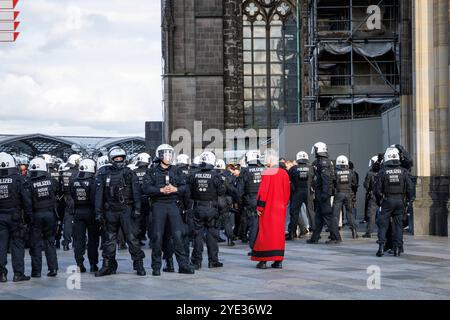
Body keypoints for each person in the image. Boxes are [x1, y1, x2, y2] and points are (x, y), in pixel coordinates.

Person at [143, 144, 194, 276]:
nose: (169, 157)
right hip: (158, 205)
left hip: (173, 205)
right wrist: (160, 190)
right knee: (157, 236)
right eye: (166, 154)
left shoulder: (176, 170)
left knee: (178, 235)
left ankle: (183, 265)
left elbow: (185, 187)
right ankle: (156, 267)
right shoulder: (151, 171)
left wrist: (175, 189)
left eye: (171, 154)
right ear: (160, 156)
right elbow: (145, 189)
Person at [95, 146, 146, 277]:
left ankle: (139, 264)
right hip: (110, 211)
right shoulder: (104, 173)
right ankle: (108, 265)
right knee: (109, 240)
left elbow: (136, 193)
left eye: (121, 158)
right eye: (116, 158)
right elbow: (99, 195)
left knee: (132, 239)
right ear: (111, 159)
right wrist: (98, 212)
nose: (119, 160)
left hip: (126, 210)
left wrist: (137, 209)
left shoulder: (130, 173)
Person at [251, 149, 290, 269]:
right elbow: (287, 192)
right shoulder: (284, 173)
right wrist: (283, 204)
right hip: (280, 208)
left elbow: (263, 191)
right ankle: (278, 261)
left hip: (268, 208)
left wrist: (259, 207)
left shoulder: (268, 172)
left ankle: (263, 260)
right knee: (278, 234)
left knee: (265, 233)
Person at [188, 151, 225, 269]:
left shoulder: (193, 175)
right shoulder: (216, 176)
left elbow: (189, 192)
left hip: (198, 207)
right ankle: (213, 261)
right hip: (211, 208)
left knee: (197, 235)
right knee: (212, 235)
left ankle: (196, 261)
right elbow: (221, 192)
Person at [374, 147, 414, 257]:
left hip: (387, 200)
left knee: (383, 224)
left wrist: (379, 201)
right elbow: (410, 188)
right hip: (400, 201)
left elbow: (377, 190)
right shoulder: (404, 171)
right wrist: (409, 200)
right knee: (398, 226)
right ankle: (397, 249)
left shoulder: (383, 172)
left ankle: (381, 247)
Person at [0, 152, 32, 282]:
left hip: (0, 217)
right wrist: (29, 215)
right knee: (17, 245)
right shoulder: (18, 178)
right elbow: (26, 199)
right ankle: (18, 274)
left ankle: (1, 274)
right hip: (15, 217)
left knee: (1, 246)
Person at [27, 157, 59, 277]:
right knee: (50, 242)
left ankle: (36, 271)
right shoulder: (51, 181)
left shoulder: (29, 183)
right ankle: (53, 268)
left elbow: (27, 202)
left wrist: (28, 216)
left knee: (35, 244)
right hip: (50, 214)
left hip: (36, 215)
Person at [307, 142, 341, 244]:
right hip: (320, 193)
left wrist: (325, 193)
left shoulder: (324, 162)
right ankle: (315, 238)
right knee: (318, 217)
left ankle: (336, 237)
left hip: (323, 193)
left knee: (327, 216)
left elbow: (326, 179)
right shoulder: (322, 161)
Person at [70, 159, 99, 273]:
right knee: (93, 240)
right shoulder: (93, 182)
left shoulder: (74, 181)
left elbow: (71, 195)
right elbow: (94, 199)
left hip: (78, 212)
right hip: (90, 212)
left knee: (79, 240)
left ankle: (79, 263)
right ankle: (93, 264)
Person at [239, 150, 265, 250]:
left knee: (253, 224)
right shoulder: (264, 169)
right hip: (263, 199)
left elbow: (240, 189)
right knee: (263, 224)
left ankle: (254, 247)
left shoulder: (245, 170)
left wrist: (240, 201)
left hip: (251, 199)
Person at [287, 151, 315, 240]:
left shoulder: (293, 168)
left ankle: (292, 232)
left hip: (297, 192)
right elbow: (315, 180)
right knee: (311, 212)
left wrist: (293, 191)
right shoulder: (311, 168)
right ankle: (315, 232)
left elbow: (289, 181)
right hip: (308, 191)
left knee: (294, 213)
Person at [332, 156, 359, 239]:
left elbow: (332, 184)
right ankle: (354, 231)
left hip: (338, 194)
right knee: (349, 213)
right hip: (348, 194)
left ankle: (334, 233)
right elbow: (355, 184)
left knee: (335, 215)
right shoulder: (351, 172)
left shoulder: (335, 172)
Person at [60, 154, 81, 251]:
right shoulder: (77, 172)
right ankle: (78, 241)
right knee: (79, 221)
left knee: (67, 221)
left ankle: (66, 242)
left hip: (66, 197)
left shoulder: (64, 172)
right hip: (76, 197)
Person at [133, 152, 152, 246]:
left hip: (137, 200)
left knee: (138, 221)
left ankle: (137, 240)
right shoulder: (151, 171)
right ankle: (152, 241)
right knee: (151, 221)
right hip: (149, 199)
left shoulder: (133, 172)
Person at [362, 155, 382, 238]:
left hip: (373, 195)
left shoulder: (370, 173)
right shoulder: (383, 172)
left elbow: (366, 185)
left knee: (371, 214)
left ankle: (369, 232)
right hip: (383, 195)